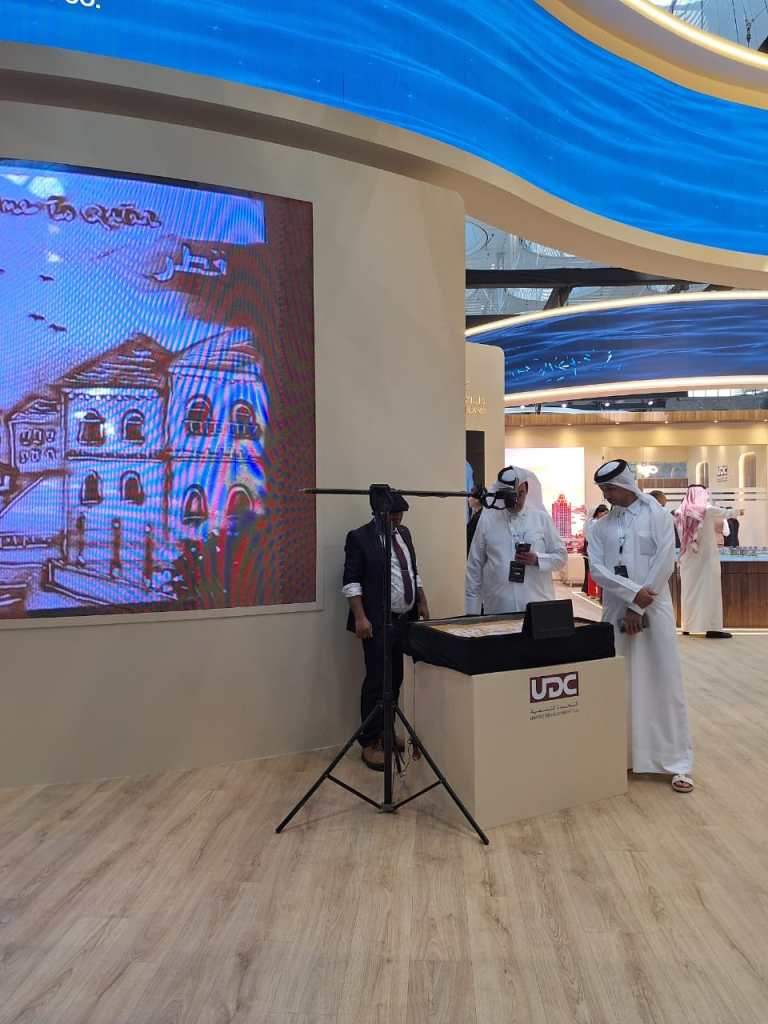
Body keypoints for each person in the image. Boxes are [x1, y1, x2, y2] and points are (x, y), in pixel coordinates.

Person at [588, 459, 693, 793]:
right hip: (616, 611)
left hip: (653, 610)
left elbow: (665, 561)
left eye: (610, 489)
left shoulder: (657, 516)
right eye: (603, 490)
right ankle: (618, 756)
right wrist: (632, 595)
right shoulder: (600, 527)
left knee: (662, 681)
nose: (606, 495)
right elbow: (597, 570)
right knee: (616, 682)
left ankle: (675, 762)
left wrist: (637, 604)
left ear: (626, 485)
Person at [342, 493, 430, 771]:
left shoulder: (404, 533)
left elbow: (412, 570)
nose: (397, 520)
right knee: (377, 680)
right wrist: (360, 617)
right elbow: (351, 582)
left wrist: (422, 600)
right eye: (392, 515)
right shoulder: (360, 538)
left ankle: (387, 733)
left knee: (396, 678)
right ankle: (369, 741)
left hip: (403, 621)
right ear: (378, 513)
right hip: (376, 623)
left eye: (400, 515)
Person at [465, 465, 567, 614]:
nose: (517, 500)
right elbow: (474, 566)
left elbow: (561, 557)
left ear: (527, 491)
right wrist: (472, 612)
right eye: (512, 494)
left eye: (521, 493)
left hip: (536, 607)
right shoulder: (488, 521)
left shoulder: (541, 519)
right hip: (498, 609)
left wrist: (537, 559)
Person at [674, 485, 732, 639]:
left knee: (689, 593)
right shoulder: (707, 510)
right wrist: (740, 511)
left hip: (688, 559)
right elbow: (728, 513)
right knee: (711, 592)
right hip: (707, 558)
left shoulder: (680, 512)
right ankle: (713, 628)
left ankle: (687, 626)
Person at [581, 504, 609, 594]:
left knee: (591, 570)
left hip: (590, 548)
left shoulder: (590, 522)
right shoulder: (595, 522)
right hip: (595, 549)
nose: (605, 515)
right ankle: (593, 592)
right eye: (604, 513)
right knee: (597, 571)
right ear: (598, 513)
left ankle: (590, 590)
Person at [466, 486, 483, 554]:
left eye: (470, 496)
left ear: (477, 499)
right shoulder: (476, 514)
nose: (468, 499)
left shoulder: (479, 517)